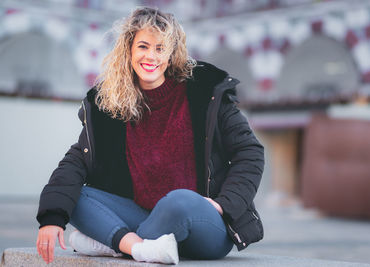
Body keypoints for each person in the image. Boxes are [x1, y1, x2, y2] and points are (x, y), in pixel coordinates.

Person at [36, 7, 264, 265]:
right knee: (76, 195)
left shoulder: (204, 91)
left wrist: (224, 205)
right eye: (143, 46)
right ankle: (136, 247)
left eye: (160, 48)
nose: (151, 56)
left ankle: (111, 243)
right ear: (129, 50)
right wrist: (52, 218)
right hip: (142, 215)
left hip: (203, 221)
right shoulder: (110, 104)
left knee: (179, 201)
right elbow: (77, 161)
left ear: (171, 54)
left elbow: (251, 152)